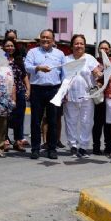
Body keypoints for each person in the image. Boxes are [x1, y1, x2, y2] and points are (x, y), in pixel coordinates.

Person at [25, 29, 65, 159]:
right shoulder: (33, 52)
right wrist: (38, 68)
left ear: (53, 40)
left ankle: (51, 148)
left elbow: (64, 73)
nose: (45, 40)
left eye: (48, 37)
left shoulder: (60, 54)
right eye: (43, 37)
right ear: (40, 39)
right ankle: (35, 149)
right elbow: (27, 66)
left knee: (53, 120)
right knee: (35, 121)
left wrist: (64, 90)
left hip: (54, 89)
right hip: (37, 89)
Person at [64, 34, 100, 158]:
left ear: (84, 46)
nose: (79, 46)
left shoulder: (89, 58)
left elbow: (97, 72)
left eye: (81, 44)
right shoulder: (66, 59)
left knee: (86, 122)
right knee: (71, 121)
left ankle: (83, 146)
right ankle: (73, 145)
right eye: (76, 43)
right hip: (70, 95)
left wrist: (101, 74)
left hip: (87, 96)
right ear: (72, 46)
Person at [92, 40, 111, 155]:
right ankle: (96, 146)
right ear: (98, 50)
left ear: (109, 51)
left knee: (108, 123)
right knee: (98, 123)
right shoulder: (94, 63)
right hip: (98, 98)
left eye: (106, 48)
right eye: (102, 48)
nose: (104, 50)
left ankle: (109, 146)